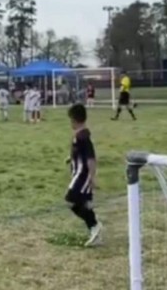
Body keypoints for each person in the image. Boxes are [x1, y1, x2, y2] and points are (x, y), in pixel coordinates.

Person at [66, 103, 102, 247]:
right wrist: (71, 158)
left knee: (71, 200)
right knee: (84, 203)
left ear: (74, 120)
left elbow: (91, 158)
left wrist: (92, 177)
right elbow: (80, 153)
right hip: (78, 173)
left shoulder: (83, 136)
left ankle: (94, 225)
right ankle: (95, 231)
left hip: (83, 175)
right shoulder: (79, 135)